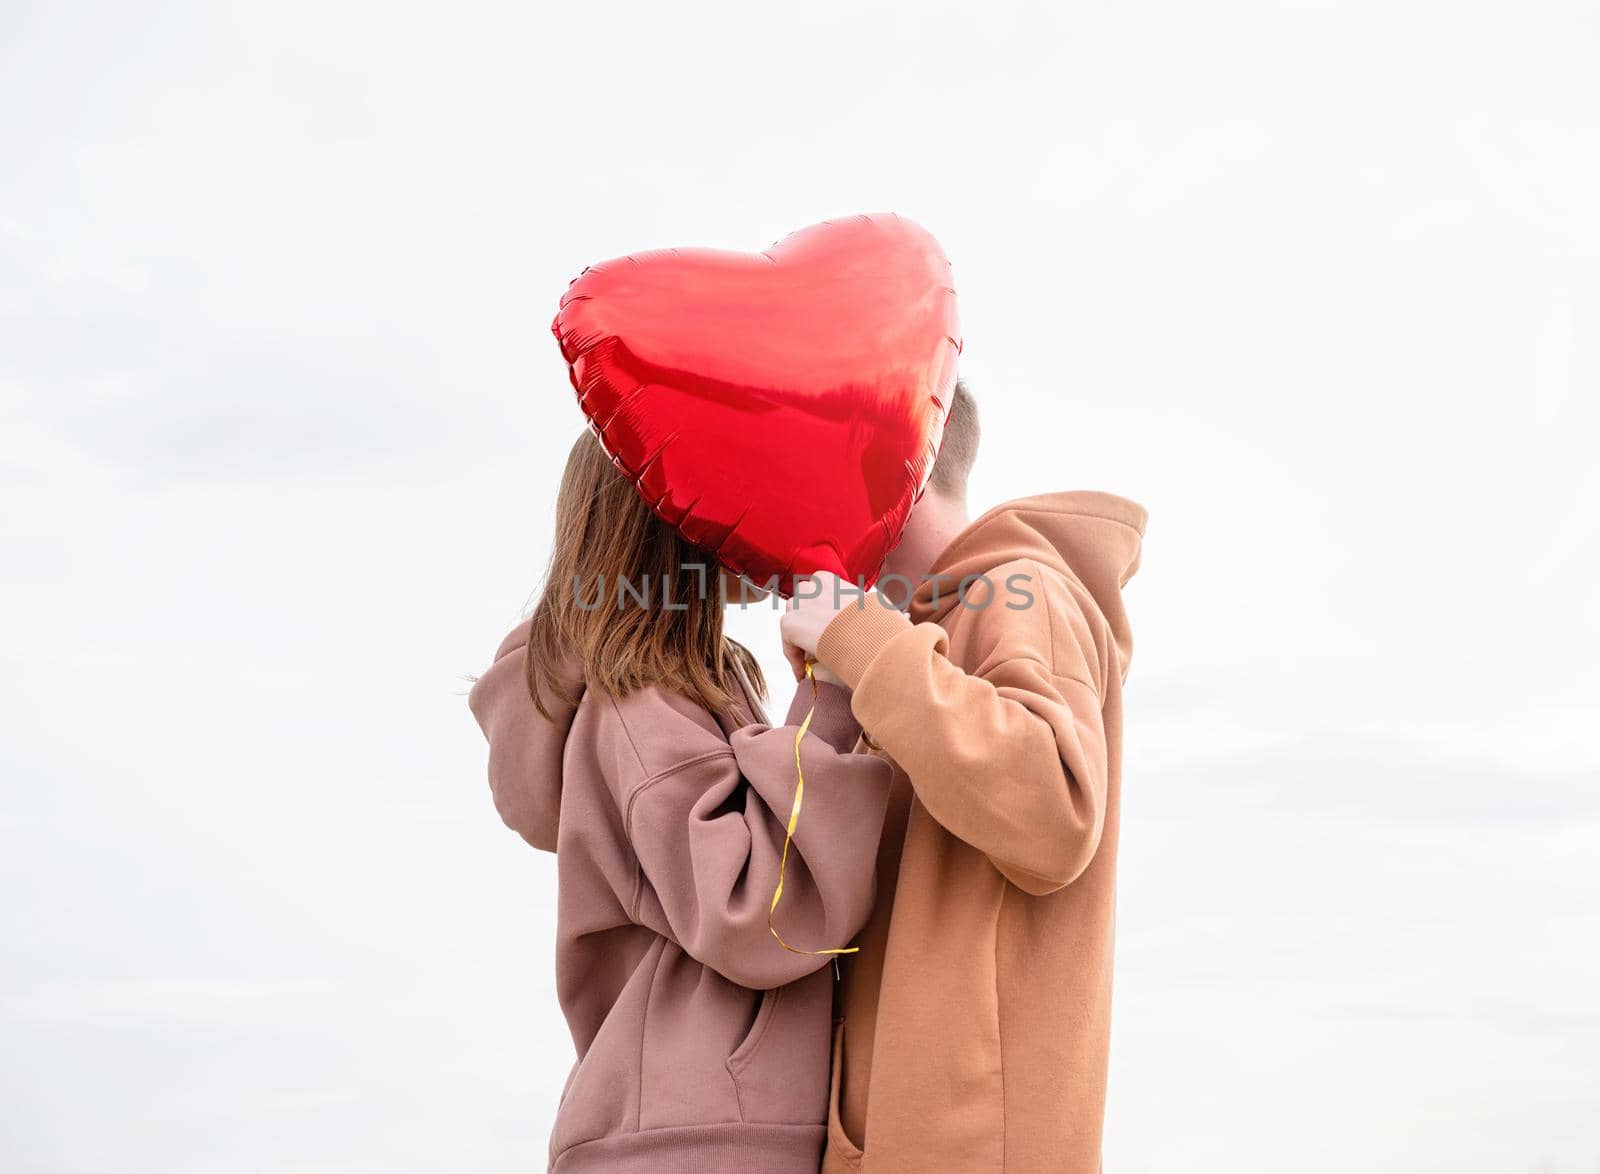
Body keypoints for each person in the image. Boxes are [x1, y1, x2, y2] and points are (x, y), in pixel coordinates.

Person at [469, 431, 892, 1174]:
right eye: (739, 494)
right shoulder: (639, 698)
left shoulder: (676, 685)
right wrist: (830, 698)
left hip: (692, 1127)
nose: (768, 523)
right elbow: (756, 913)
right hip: (699, 1138)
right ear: (678, 523)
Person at [780, 380, 1147, 1174]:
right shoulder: (923, 627)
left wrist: (865, 642)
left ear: (887, 468)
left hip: (967, 1143)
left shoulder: (1020, 592)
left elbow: (1054, 813)